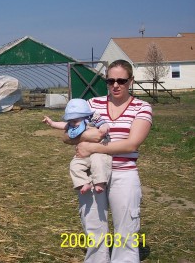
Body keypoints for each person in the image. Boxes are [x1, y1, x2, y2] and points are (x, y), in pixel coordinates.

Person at [65, 59, 153, 262]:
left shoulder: (142, 107)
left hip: (124, 173)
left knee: (126, 228)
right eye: (110, 80)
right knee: (94, 227)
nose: (115, 85)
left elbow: (131, 144)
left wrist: (91, 146)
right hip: (92, 174)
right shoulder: (91, 104)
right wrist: (87, 137)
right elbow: (66, 135)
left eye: (121, 80)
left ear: (131, 81)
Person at [43, 98, 112, 194]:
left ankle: (100, 182)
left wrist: (104, 128)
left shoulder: (93, 119)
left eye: (75, 120)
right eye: (70, 120)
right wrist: (52, 123)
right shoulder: (72, 123)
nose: (73, 123)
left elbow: (104, 124)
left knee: (99, 163)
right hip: (82, 155)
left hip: (98, 151)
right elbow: (63, 125)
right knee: (74, 165)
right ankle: (83, 183)